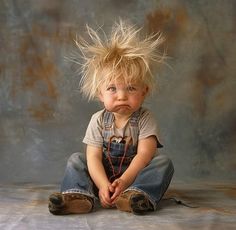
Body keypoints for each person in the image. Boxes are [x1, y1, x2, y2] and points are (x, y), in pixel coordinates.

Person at [48, 20, 174, 215]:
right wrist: (103, 185)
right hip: (103, 178)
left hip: (133, 177)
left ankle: (136, 196)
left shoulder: (145, 119)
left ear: (144, 91)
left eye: (131, 88)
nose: (122, 95)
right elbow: (94, 157)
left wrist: (124, 182)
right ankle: (79, 197)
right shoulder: (98, 120)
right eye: (112, 88)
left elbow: (144, 156)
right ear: (100, 94)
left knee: (163, 163)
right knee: (77, 160)